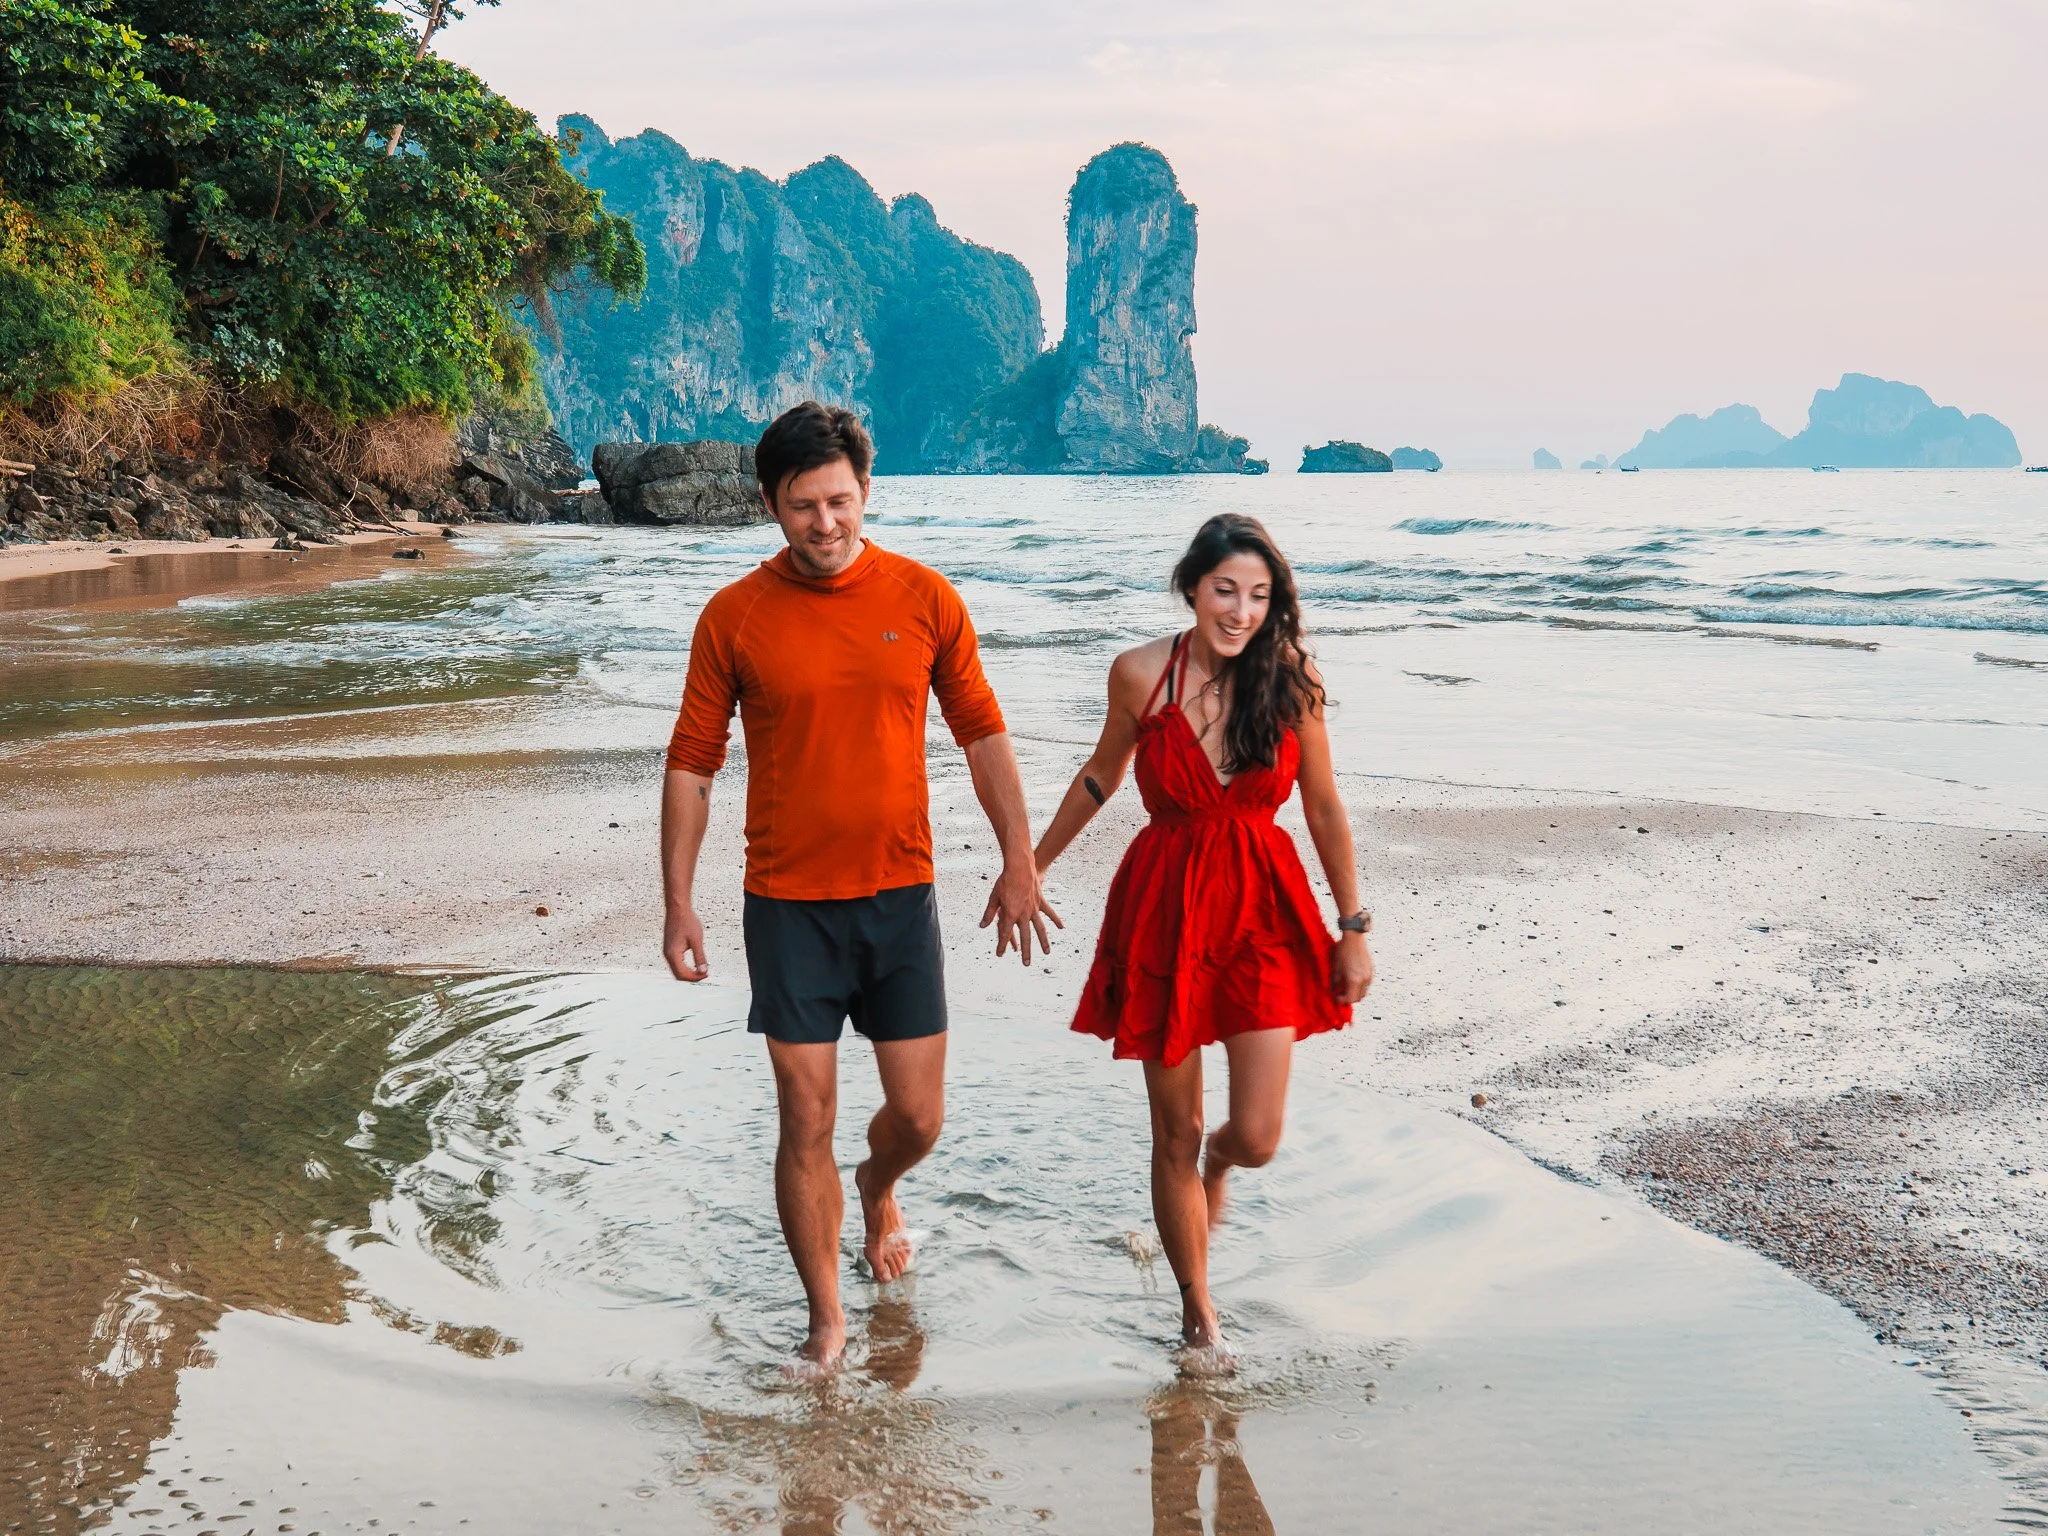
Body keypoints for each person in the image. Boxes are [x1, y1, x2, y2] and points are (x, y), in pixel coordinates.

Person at [661, 401, 1057, 1367]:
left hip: (898, 897)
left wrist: (1019, 857)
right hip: (788, 904)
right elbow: (692, 763)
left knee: (919, 1119)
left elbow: (982, 732)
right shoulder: (734, 616)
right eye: (804, 506)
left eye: (840, 502)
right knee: (807, 1115)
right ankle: (826, 1320)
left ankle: (877, 1187)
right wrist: (678, 899)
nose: (825, 524)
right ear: (770, 503)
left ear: (866, 492)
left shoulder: (925, 598)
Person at [1032, 513, 1374, 1355]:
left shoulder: (1292, 678)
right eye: (1226, 590)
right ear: (1192, 586)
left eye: (1260, 595)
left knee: (1253, 1137)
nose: (1241, 611)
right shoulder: (1140, 675)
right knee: (1173, 1131)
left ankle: (1219, 1170)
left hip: (1263, 901)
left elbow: (1323, 806)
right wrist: (1029, 866)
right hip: (1167, 902)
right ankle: (1198, 1315)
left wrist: (1352, 924)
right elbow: (1099, 776)